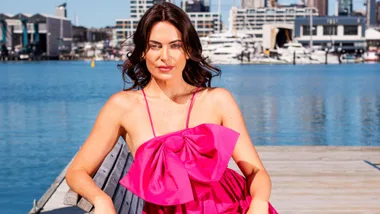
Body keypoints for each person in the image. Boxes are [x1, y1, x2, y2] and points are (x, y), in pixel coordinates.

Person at [66, 2, 278, 214]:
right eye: (154, 46)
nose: (164, 56)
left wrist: (258, 203)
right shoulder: (122, 107)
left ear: (188, 51)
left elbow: (256, 171)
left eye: (175, 45)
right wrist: (101, 199)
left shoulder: (218, 100)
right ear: (142, 52)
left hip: (233, 207)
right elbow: (77, 171)